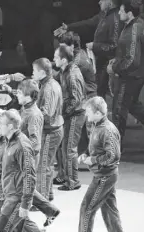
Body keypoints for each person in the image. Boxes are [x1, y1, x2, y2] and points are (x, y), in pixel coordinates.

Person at [67, 96, 127, 232]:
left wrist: (92, 159)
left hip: (104, 176)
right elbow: (95, 147)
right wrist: (85, 154)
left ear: (98, 113)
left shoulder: (107, 130)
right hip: (103, 174)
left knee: (87, 207)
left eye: (88, 112)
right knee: (109, 209)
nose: (86, 115)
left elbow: (113, 156)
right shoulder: (96, 126)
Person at [109, 0, 144, 147]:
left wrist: (115, 68)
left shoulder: (134, 29)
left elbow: (132, 60)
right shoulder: (133, 26)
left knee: (119, 111)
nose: (119, 13)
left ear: (129, 13)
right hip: (134, 75)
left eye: (121, 11)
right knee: (134, 107)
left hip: (130, 77)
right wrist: (117, 60)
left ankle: (114, 148)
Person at [54, 0, 122, 98]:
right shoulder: (104, 15)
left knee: (101, 95)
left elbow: (114, 46)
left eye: (102, 0)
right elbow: (88, 23)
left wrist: (95, 46)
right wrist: (68, 27)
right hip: (100, 61)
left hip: (108, 63)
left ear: (110, 2)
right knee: (99, 93)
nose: (99, 2)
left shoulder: (115, 18)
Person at [54, 45, 86, 191]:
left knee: (69, 148)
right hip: (69, 114)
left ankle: (73, 181)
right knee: (62, 146)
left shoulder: (72, 74)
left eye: (56, 57)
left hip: (75, 115)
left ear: (64, 60)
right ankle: (62, 176)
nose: (54, 59)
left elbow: (76, 99)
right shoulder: (63, 71)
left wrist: (63, 114)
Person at [32, 58, 64, 201]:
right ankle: (48, 193)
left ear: (41, 72)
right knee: (47, 164)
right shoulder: (50, 84)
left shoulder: (48, 88)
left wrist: (31, 117)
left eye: (34, 71)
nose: (32, 73)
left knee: (42, 166)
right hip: (53, 129)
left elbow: (47, 113)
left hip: (50, 131)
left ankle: (42, 199)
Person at [15, 79, 44, 165]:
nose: (17, 95)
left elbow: (34, 141)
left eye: (19, 93)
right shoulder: (25, 107)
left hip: (28, 158)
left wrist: (16, 150)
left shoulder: (34, 115)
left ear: (28, 97)